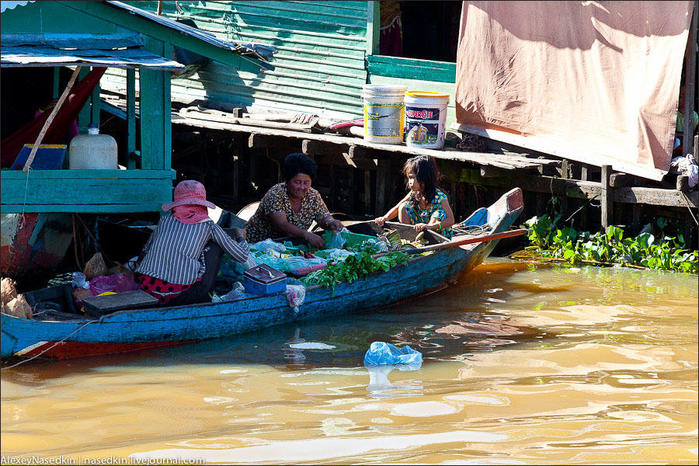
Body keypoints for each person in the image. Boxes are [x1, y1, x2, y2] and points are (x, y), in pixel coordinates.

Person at [135, 180, 249, 306]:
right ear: (202, 203)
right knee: (215, 246)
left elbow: (145, 251)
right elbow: (242, 256)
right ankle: (205, 299)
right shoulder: (208, 226)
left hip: (146, 286)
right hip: (175, 295)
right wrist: (240, 236)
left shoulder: (165, 221)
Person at [245, 153, 344, 248]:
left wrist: (331, 222)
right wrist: (307, 235)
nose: (302, 187)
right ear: (287, 180)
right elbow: (282, 225)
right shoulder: (276, 194)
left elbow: (323, 216)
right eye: (297, 182)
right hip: (258, 246)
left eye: (306, 182)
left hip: (288, 246)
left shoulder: (313, 195)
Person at [375, 155, 455, 238]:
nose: (409, 182)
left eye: (412, 178)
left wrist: (430, 227)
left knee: (439, 213)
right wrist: (385, 218)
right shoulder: (414, 193)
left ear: (424, 177)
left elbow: (451, 220)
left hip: (438, 233)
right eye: (408, 178)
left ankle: (429, 239)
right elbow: (397, 207)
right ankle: (409, 236)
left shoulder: (440, 197)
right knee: (403, 207)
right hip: (420, 230)